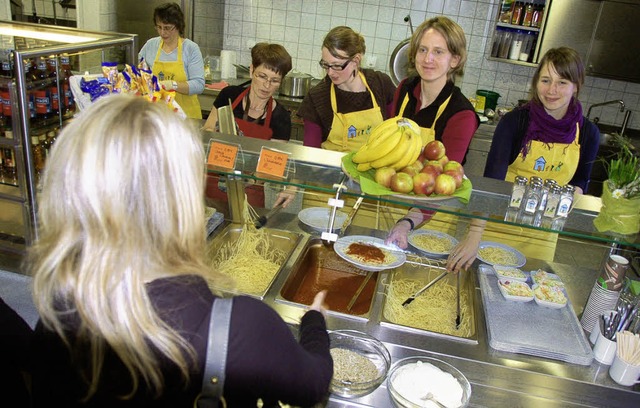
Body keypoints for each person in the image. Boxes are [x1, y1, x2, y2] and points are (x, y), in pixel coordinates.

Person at [28, 94, 332, 407]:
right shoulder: (244, 327)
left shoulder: (55, 320)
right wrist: (314, 324)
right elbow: (313, 385)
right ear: (182, 197)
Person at [399, 46, 600, 273]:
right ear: (535, 83)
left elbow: (582, 181)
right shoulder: (516, 122)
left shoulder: (587, 133)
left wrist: (576, 192)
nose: (552, 90)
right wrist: (474, 235)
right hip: (497, 228)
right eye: (545, 80)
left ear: (576, 86)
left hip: (543, 236)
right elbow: (492, 182)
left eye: (562, 82)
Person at [385, 16, 478, 260]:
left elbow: (441, 186)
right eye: (423, 50)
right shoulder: (405, 89)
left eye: (438, 52)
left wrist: (407, 222)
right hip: (390, 200)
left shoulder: (462, 114)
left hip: (428, 218)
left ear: (454, 60)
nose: (427, 59)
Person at [297, 26, 396, 151]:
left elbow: (397, 129)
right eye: (326, 65)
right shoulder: (317, 98)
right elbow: (310, 152)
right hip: (332, 169)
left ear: (356, 60)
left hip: (376, 168)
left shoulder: (381, 84)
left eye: (337, 66)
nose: (330, 73)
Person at [202, 42, 293, 141]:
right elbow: (207, 131)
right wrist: (215, 133)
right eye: (262, 77)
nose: (267, 85)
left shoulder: (281, 118)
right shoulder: (228, 96)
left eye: (275, 80)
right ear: (251, 71)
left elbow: (275, 155)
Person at [138, 2, 205, 119]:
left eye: (167, 28)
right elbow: (138, 72)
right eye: (159, 27)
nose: (162, 32)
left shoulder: (190, 49)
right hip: (158, 116)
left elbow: (199, 85)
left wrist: (172, 85)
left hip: (186, 118)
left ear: (178, 26)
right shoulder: (150, 45)